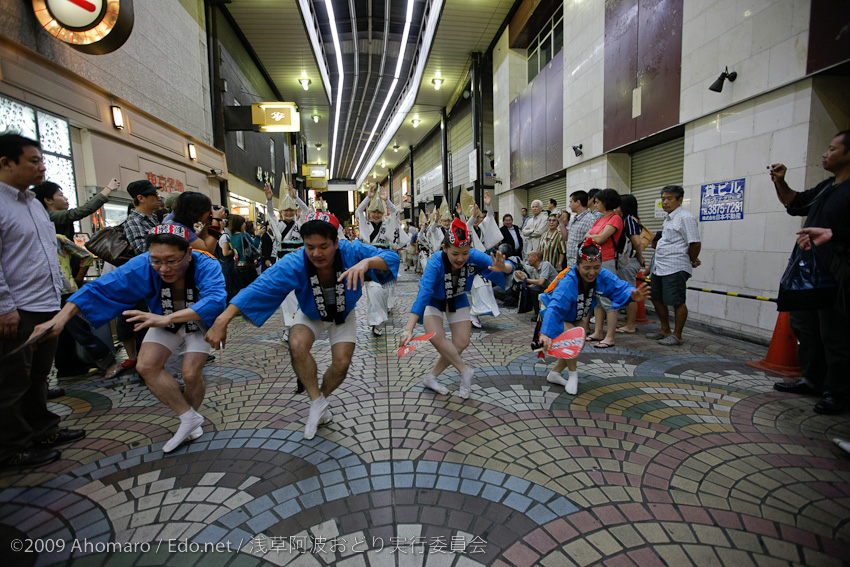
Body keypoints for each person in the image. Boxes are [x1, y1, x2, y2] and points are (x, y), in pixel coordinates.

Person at [30, 225, 227, 452]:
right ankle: (188, 418)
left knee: (191, 374)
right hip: (160, 317)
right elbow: (99, 287)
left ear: (189, 254)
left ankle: (190, 420)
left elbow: (215, 299)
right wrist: (60, 318)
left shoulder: (206, 262)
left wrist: (169, 318)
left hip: (198, 321)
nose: (163, 268)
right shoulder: (143, 263)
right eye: (156, 261)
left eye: (171, 261)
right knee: (146, 366)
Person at [205, 212, 399, 439]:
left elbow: (391, 258)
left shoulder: (351, 251)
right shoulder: (295, 261)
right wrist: (222, 319)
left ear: (337, 242)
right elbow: (260, 286)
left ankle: (321, 401)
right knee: (296, 344)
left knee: (342, 363)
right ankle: (316, 400)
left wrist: (367, 263)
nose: (316, 253)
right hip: (310, 313)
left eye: (324, 246)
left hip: (343, 313)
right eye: (310, 247)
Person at [0, 133, 84, 470]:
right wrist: (4, 307)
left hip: (47, 303)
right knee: (11, 381)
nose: (41, 166)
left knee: (38, 377)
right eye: (33, 160)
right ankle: (10, 448)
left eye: (41, 160)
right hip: (16, 309)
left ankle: (42, 431)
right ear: (5, 163)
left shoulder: (34, 203)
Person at [769, 131, 850, 415]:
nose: (825, 153)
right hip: (810, 273)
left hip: (838, 273)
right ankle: (812, 379)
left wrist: (833, 234)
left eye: (832, 148)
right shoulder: (828, 186)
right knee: (806, 327)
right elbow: (795, 202)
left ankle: (837, 392)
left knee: (835, 333)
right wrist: (780, 181)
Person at [401, 219, 514, 399]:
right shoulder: (435, 262)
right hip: (434, 300)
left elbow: (506, 267)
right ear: (445, 249)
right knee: (437, 337)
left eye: (465, 253)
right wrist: (409, 329)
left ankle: (431, 377)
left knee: (461, 343)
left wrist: (504, 268)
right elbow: (424, 293)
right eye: (455, 253)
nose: (460, 258)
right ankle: (464, 370)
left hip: (457, 296)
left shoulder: (474, 256)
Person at [539, 239, 650, 394]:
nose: (592, 272)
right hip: (552, 307)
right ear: (577, 265)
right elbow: (555, 307)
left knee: (578, 342)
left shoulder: (602, 275)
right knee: (572, 338)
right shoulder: (568, 282)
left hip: (576, 312)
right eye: (587, 268)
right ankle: (573, 375)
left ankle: (555, 373)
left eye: (597, 267)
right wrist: (545, 333)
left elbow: (619, 285)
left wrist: (632, 294)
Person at [113, 180, 163, 378]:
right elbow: (143, 251)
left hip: (153, 280)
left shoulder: (153, 219)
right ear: (141, 198)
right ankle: (146, 366)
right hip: (139, 282)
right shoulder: (134, 222)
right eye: (154, 195)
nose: (158, 198)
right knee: (141, 323)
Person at [646, 185, 701, 346]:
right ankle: (665, 330)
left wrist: (692, 259)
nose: (665, 202)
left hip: (675, 266)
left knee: (677, 301)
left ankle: (677, 335)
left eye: (669, 198)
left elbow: (695, 243)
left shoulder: (685, 217)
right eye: (663, 198)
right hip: (660, 266)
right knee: (656, 298)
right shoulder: (669, 218)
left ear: (680, 200)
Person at [356, 186, 405, 336]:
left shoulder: (387, 225)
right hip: (370, 262)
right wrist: (368, 198)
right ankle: (376, 322)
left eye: (379, 212)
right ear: (369, 213)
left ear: (383, 213)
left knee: (383, 292)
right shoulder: (365, 225)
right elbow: (358, 211)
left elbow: (395, 213)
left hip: (384, 261)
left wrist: (387, 200)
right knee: (374, 291)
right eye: (373, 212)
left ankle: (378, 319)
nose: (376, 215)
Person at [265, 182, 310, 342]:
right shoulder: (277, 225)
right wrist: (269, 200)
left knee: (299, 296)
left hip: (298, 265)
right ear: (281, 212)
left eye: (292, 210)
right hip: (283, 265)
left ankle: (297, 325)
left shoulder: (300, 224)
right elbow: (270, 214)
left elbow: (306, 210)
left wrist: (295, 197)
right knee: (286, 298)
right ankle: (288, 327)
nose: (289, 213)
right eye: (286, 210)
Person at [585, 188, 623, 348]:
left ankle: (610, 336)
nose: (595, 204)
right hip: (595, 261)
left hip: (607, 262)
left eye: (598, 201)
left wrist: (592, 237)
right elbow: (589, 235)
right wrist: (593, 237)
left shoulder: (615, 219)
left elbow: (599, 238)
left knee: (608, 300)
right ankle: (598, 332)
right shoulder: (599, 219)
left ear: (606, 203)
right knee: (598, 300)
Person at [461, 191, 504, 328]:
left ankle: (475, 312)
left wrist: (489, 205)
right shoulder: (466, 229)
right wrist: (471, 215)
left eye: (479, 217)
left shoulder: (482, 227)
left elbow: (490, 217)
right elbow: (467, 225)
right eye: (475, 217)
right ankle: (473, 313)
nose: (478, 219)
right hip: (471, 262)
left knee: (485, 286)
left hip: (484, 261)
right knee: (477, 286)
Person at [615, 194, 647, 334]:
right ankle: (629, 323)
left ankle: (630, 325)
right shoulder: (623, 220)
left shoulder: (629, 220)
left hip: (628, 261)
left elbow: (637, 242)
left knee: (630, 293)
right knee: (626, 292)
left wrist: (640, 259)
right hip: (626, 261)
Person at [513, 249, 558, 315]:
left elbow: (541, 282)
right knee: (529, 288)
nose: (528, 259)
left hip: (555, 290)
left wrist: (525, 279)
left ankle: (538, 314)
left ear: (535, 258)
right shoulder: (534, 269)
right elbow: (534, 283)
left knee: (534, 289)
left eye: (529, 257)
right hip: (547, 288)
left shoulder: (546, 264)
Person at [565, 191, 596, 269]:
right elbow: (566, 238)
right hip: (570, 262)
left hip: (581, 263)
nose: (569, 205)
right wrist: (561, 222)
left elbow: (592, 242)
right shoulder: (574, 219)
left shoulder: (590, 219)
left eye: (571, 202)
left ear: (578, 202)